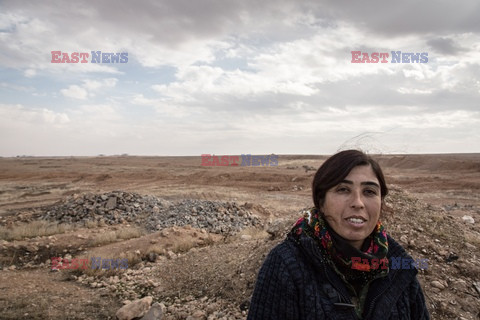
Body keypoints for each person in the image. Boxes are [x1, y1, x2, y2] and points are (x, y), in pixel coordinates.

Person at [247, 150, 430, 319]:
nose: (358, 203)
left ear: (381, 201)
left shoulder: (400, 267)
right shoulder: (286, 265)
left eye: (369, 192)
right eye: (343, 189)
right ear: (321, 200)